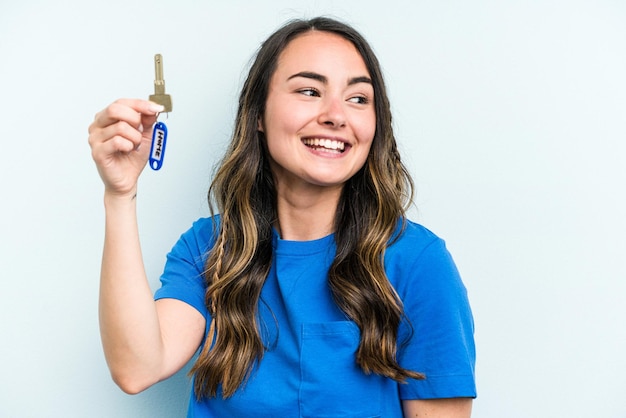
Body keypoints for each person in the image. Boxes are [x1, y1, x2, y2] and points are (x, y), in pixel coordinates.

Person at [88, 17, 476, 417]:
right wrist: (120, 195)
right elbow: (136, 368)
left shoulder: (416, 261)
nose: (336, 115)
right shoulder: (209, 248)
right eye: (310, 91)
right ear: (258, 114)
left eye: (358, 99)